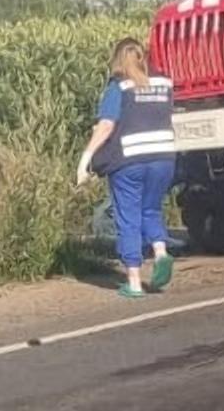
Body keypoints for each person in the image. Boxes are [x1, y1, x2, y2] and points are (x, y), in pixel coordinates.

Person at [76, 39, 177, 298]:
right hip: (164, 158)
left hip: (129, 161)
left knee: (128, 217)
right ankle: (161, 251)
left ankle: (133, 282)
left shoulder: (118, 86)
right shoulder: (164, 82)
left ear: (118, 60)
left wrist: (86, 157)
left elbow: (107, 125)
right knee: (151, 209)